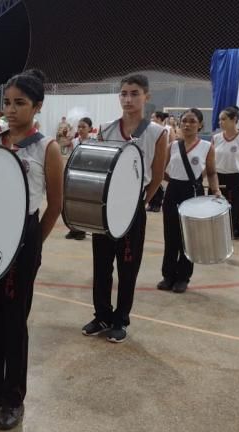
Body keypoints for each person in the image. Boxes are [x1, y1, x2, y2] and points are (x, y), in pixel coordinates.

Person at [0, 69, 63, 431]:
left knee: (13, 323)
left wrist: (33, 242)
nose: (10, 109)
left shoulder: (46, 147)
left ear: (37, 106)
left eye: (20, 103)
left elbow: (54, 204)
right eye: (7, 102)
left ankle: (13, 398)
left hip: (24, 236)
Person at [81, 74, 168, 343]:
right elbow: (97, 164)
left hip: (133, 208)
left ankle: (121, 318)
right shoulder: (106, 129)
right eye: (124, 94)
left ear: (146, 97)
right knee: (101, 264)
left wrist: (141, 201)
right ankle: (102, 314)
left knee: (127, 266)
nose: (128, 99)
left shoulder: (157, 132)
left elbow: (156, 175)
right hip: (106, 208)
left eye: (134, 93)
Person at [157, 109, 220, 293]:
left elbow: (211, 172)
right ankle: (168, 275)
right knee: (171, 236)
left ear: (200, 125)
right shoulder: (173, 146)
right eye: (184, 121)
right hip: (173, 192)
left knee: (188, 238)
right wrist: (172, 182)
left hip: (194, 193)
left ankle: (183, 277)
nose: (187, 124)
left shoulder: (207, 147)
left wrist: (215, 190)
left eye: (192, 121)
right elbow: (162, 170)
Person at [213, 107, 239, 240]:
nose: (220, 122)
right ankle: (216, 230)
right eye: (219, 120)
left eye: (223, 119)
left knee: (236, 206)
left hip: (236, 176)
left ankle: (234, 229)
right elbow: (210, 162)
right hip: (218, 176)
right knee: (216, 204)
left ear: (234, 119)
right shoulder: (216, 138)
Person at [65, 117, 93, 241]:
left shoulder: (93, 142)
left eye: (84, 127)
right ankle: (73, 229)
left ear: (90, 129)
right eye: (79, 127)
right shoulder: (75, 141)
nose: (80, 129)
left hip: (87, 177)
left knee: (84, 205)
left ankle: (81, 230)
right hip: (74, 176)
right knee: (72, 204)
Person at [146, 111, 173, 213]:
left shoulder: (168, 129)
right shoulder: (149, 129)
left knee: (158, 179)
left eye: (154, 117)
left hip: (162, 157)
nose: (152, 119)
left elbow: (172, 143)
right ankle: (152, 202)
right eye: (151, 117)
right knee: (150, 179)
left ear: (159, 119)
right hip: (151, 156)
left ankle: (157, 203)